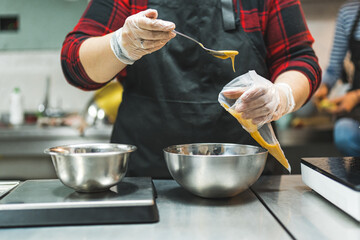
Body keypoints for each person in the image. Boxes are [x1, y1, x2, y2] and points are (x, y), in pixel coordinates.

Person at [61, 0, 321, 178]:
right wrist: (120, 45)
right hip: (146, 179)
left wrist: (282, 95)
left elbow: (299, 58)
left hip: (246, 177)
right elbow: (75, 64)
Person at [313, 0, 360, 156]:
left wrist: (356, 96)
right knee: (345, 134)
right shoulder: (348, 13)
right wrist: (324, 87)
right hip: (355, 104)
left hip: (355, 97)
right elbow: (334, 67)